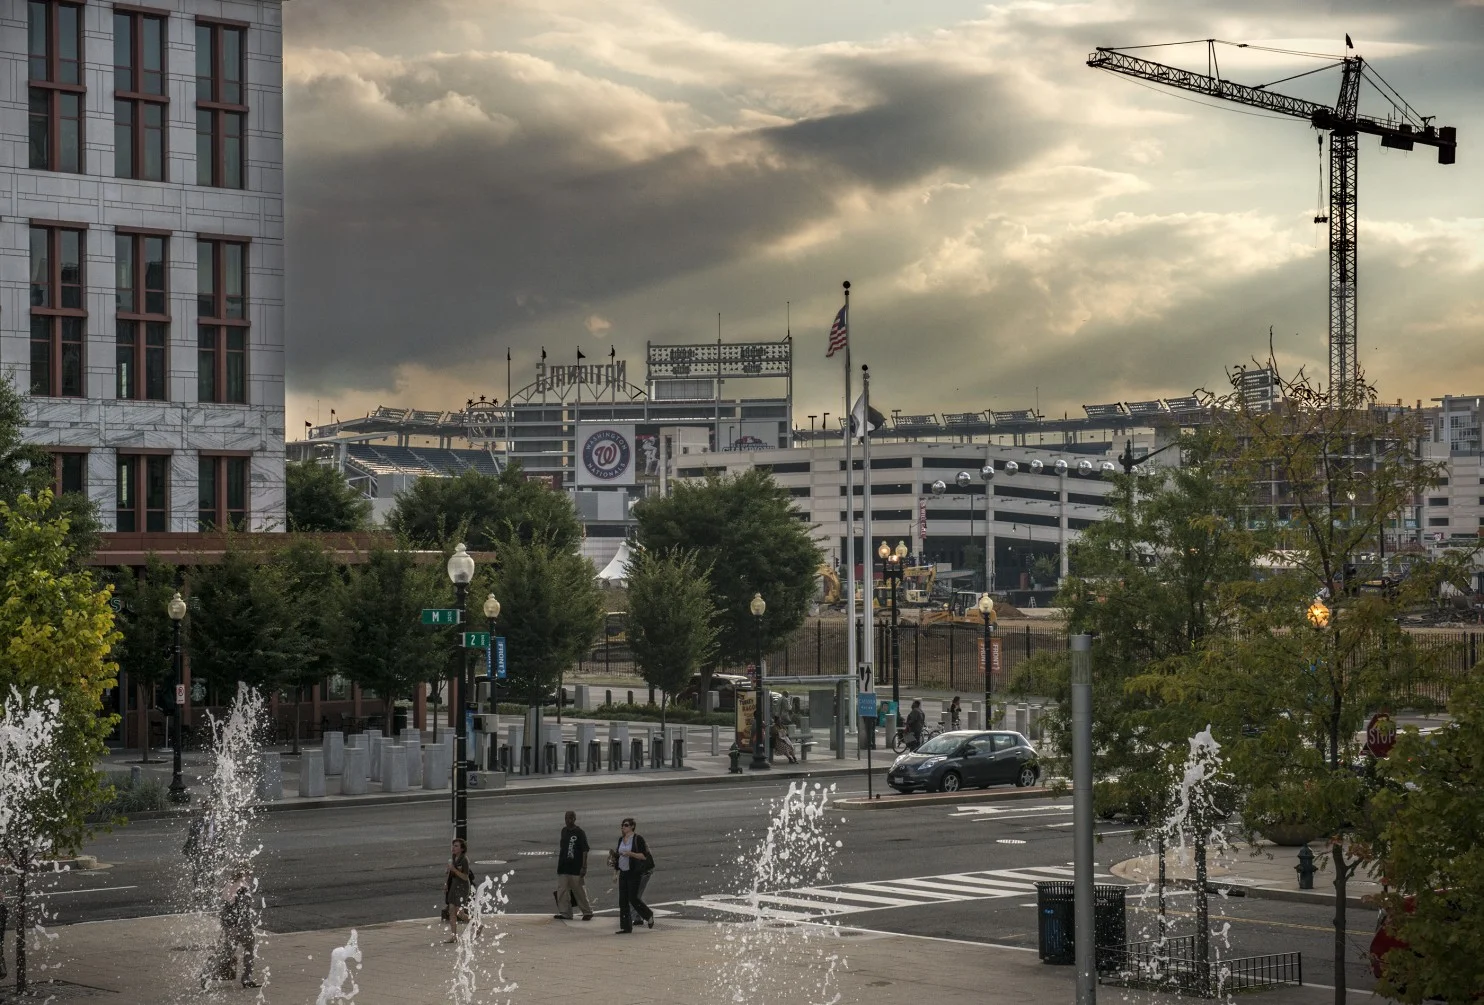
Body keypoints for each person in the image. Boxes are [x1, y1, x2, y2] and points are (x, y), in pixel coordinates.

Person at [202, 866, 257, 989]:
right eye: (249, 873)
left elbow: (225, 908)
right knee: (249, 948)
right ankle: (247, 978)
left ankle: (207, 972)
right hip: (241, 925)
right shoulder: (242, 888)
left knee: (227, 953)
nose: (250, 876)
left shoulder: (229, 885)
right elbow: (241, 910)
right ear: (245, 873)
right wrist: (239, 926)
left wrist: (226, 926)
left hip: (229, 925)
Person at [612, 818, 654, 934]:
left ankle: (648, 915)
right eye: (622, 825)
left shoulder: (637, 839)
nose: (623, 827)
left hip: (633, 872)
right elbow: (617, 856)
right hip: (623, 873)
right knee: (623, 900)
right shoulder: (621, 839)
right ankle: (626, 927)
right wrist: (615, 872)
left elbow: (644, 856)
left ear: (632, 827)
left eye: (625, 825)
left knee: (633, 898)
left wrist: (630, 854)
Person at [554, 810, 593, 921]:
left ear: (574, 819)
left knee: (579, 890)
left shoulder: (580, 832)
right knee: (562, 891)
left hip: (576, 867)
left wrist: (584, 866)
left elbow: (585, 850)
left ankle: (587, 911)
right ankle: (565, 913)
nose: (568, 820)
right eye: (566, 818)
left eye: (570, 818)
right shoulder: (564, 831)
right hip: (563, 866)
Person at [443, 837, 472, 942]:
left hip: (462, 887)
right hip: (454, 885)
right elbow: (451, 872)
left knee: (459, 913)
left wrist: (454, 869)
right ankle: (454, 936)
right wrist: (447, 883)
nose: (453, 848)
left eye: (456, 846)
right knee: (451, 911)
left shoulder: (464, 860)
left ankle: (477, 923)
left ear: (462, 849)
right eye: (453, 845)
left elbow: (465, 877)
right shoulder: (453, 857)